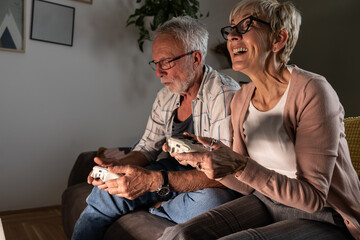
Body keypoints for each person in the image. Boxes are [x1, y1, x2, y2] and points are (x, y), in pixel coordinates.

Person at [160, 0, 360, 239]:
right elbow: (246, 185)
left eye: (245, 26)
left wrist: (240, 165)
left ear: (278, 39)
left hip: (325, 216)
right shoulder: (242, 98)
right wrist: (211, 163)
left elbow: (313, 198)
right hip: (266, 202)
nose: (232, 36)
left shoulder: (312, 90)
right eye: (231, 29)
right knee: (179, 234)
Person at [71, 16, 241, 240]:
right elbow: (147, 148)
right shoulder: (166, 96)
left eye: (166, 62)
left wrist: (155, 182)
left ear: (196, 58)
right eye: (156, 63)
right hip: (172, 172)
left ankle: (157, 205)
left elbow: (225, 173)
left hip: (209, 179)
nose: (158, 73)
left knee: (211, 203)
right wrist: (118, 166)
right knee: (105, 191)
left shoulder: (224, 95)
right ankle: (155, 198)